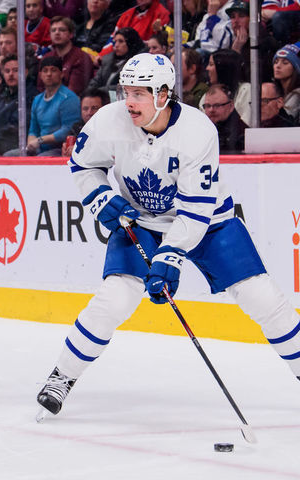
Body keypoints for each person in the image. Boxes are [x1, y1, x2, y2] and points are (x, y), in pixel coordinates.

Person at [36, 53, 300, 418]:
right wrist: (99, 195)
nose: (129, 101)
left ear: (163, 95)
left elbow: (195, 210)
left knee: (262, 297)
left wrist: (170, 255)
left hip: (208, 221)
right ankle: (62, 376)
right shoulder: (109, 121)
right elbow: (83, 164)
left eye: (139, 93)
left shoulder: (197, 131)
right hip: (140, 220)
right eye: (125, 91)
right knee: (115, 299)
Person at [0, 55, 39, 154]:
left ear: (25, 72)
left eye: (15, 70)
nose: (11, 74)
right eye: (7, 71)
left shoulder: (33, 97)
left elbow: (17, 127)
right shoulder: (0, 98)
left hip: (17, 146)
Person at [26, 55, 81, 156]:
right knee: (11, 155)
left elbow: (67, 130)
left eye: (53, 70)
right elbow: (33, 130)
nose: (49, 74)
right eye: (45, 70)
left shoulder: (68, 98)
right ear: (40, 75)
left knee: (38, 160)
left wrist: (40, 140)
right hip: (40, 148)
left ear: (62, 74)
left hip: (60, 149)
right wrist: (31, 144)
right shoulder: (37, 100)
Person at [40, 17, 95, 95]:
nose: (57, 33)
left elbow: (73, 92)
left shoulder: (81, 57)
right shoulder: (46, 58)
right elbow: (40, 88)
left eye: (62, 30)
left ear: (71, 34)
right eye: (53, 30)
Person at [201, 48, 251, 126]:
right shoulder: (207, 96)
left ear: (223, 68)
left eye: (211, 64)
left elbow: (247, 124)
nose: (207, 68)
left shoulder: (245, 90)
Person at [88, 27, 146, 93]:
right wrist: (89, 93)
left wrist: (100, 92)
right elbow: (96, 81)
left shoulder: (137, 64)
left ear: (131, 43)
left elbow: (124, 87)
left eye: (121, 41)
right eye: (115, 41)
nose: (116, 45)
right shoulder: (107, 60)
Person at [62, 87, 109, 155]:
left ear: (105, 108)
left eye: (94, 108)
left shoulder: (112, 128)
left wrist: (81, 151)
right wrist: (66, 150)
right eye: (85, 109)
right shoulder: (77, 127)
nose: (89, 113)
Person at [202, 83, 246, 153]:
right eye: (207, 106)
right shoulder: (201, 131)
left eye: (217, 105)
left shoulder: (242, 134)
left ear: (231, 106)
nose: (211, 110)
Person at [273, 43, 300, 125]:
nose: (278, 66)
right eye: (276, 62)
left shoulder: (297, 95)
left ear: (295, 68)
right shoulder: (274, 91)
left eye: (285, 63)